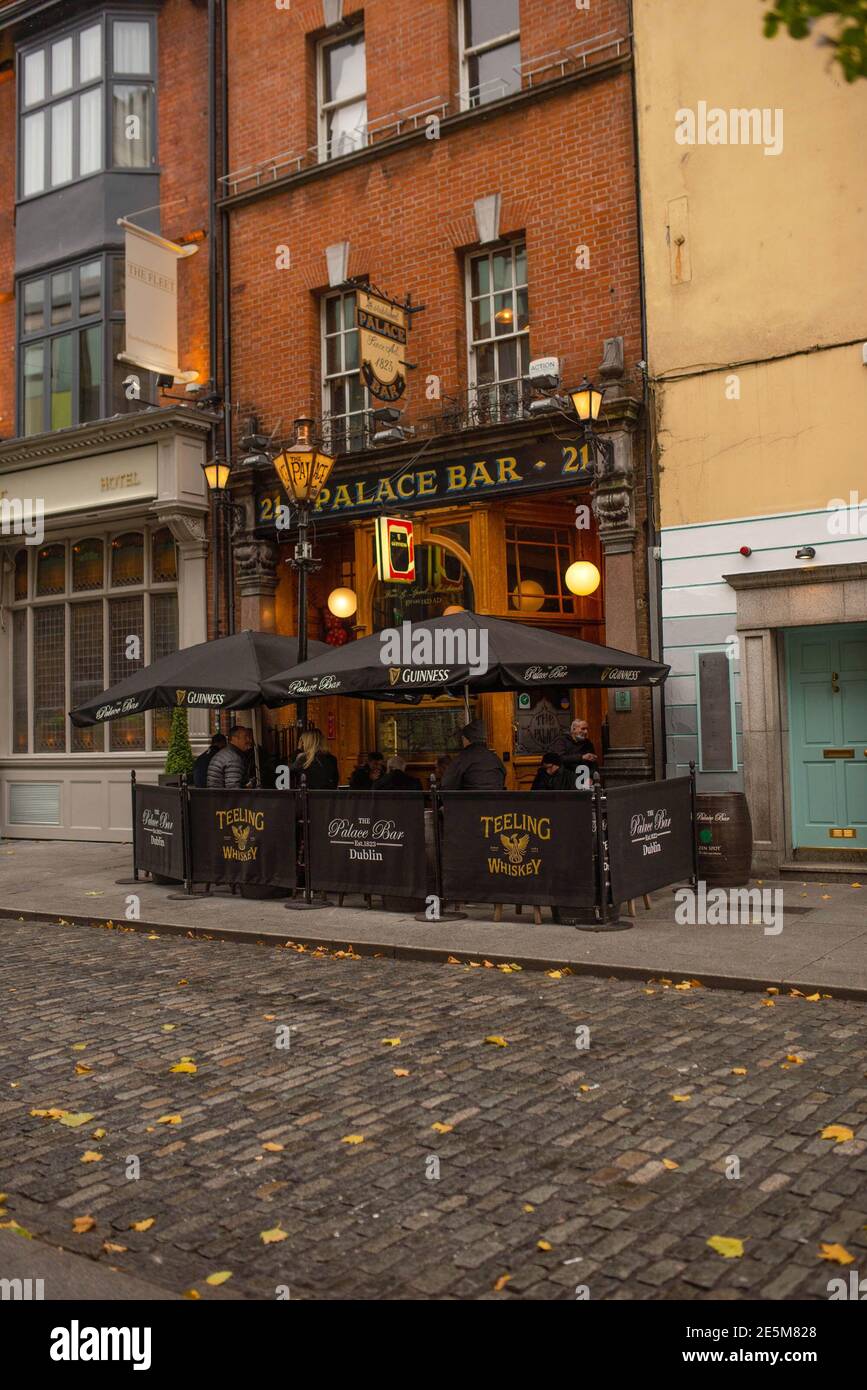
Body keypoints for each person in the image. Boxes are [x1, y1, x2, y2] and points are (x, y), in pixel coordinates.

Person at [440, 719, 506, 790]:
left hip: (469, 800)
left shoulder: (462, 759)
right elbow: (502, 778)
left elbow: (446, 787)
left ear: (466, 739)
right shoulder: (495, 759)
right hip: (496, 800)